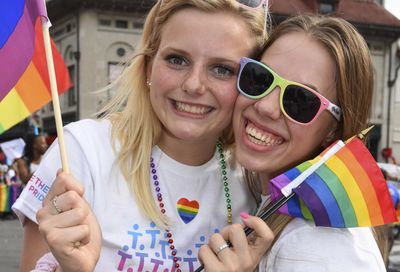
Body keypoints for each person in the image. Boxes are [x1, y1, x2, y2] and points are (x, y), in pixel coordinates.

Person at [12, 1, 273, 271]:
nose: (194, 85)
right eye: (177, 60)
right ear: (149, 67)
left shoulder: (254, 179)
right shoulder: (82, 152)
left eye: (222, 69)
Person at [198, 14, 388, 271]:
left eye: (300, 100)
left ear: (333, 130)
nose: (266, 107)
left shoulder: (319, 248)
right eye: (260, 78)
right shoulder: (272, 199)